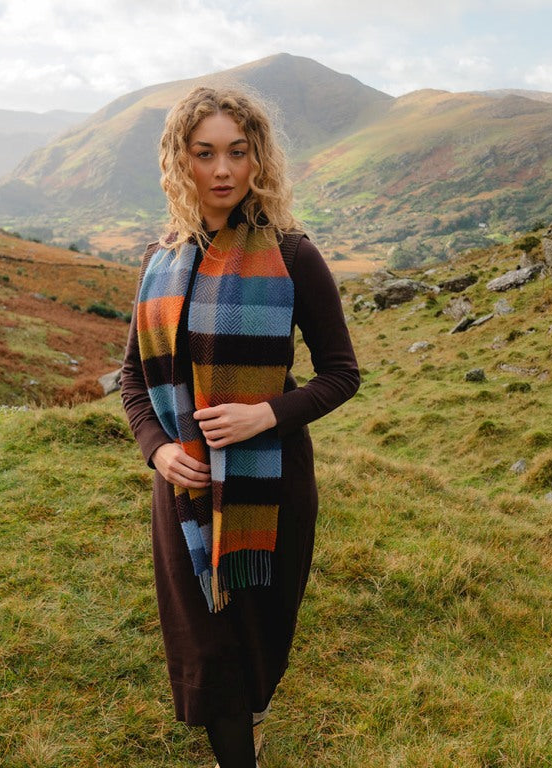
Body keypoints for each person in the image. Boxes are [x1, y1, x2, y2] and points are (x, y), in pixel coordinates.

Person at [121, 84, 360, 768]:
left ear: (258, 159)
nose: (223, 170)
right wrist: (158, 451)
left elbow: (341, 373)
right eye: (205, 154)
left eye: (238, 152)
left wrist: (268, 413)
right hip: (184, 491)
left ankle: (249, 715)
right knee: (211, 657)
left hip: (271, 489)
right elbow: (133, 377)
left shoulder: (293, 254)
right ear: (180, 161)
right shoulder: (159, 258)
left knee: (255, 647)